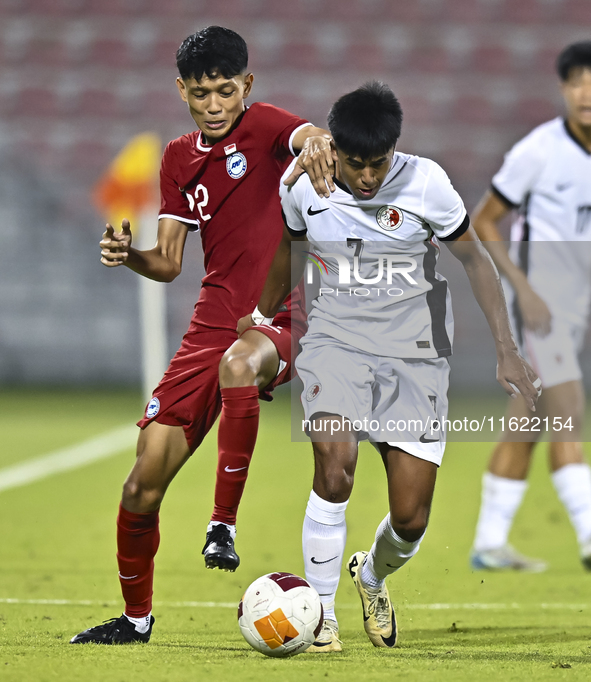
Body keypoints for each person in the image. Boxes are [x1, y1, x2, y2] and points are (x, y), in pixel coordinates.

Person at [240, 81, 540, 651]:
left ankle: (371, 575)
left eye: (379, 164)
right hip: (336, 343)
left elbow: (475, 259)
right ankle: (322, 615)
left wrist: (507, 347)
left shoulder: (427, 183)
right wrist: (260, 314)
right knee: (335, 467)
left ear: (394, 150)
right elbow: (290, 247)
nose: (369, 177)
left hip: (416, 356)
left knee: (409, 519)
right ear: (336, 151)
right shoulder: (304, 185)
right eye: (357, 165)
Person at [70, 26, 334, 645]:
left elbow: (307, 136)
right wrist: (128, 253)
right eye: (200, 94)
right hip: (212, 321)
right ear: (181, 91)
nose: (214, 105)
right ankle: (136, 622)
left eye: (225, 92)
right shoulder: (177, 158)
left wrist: (320, 142)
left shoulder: (265, 125)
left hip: (288, 307)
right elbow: (167, 262)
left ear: (247, 85)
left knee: (242, 364)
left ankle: (223, 525)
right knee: (141, 484)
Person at [470, 41, 591, 573]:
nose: (587, 92)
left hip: (578, 307)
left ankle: (488, 544)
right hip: (540, 308)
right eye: (576, 81)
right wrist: (522, 288)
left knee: (529, 420)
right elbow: (485, 218)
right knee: (569, 412)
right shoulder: (538, 151)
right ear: (563, 89)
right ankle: (590, 536)